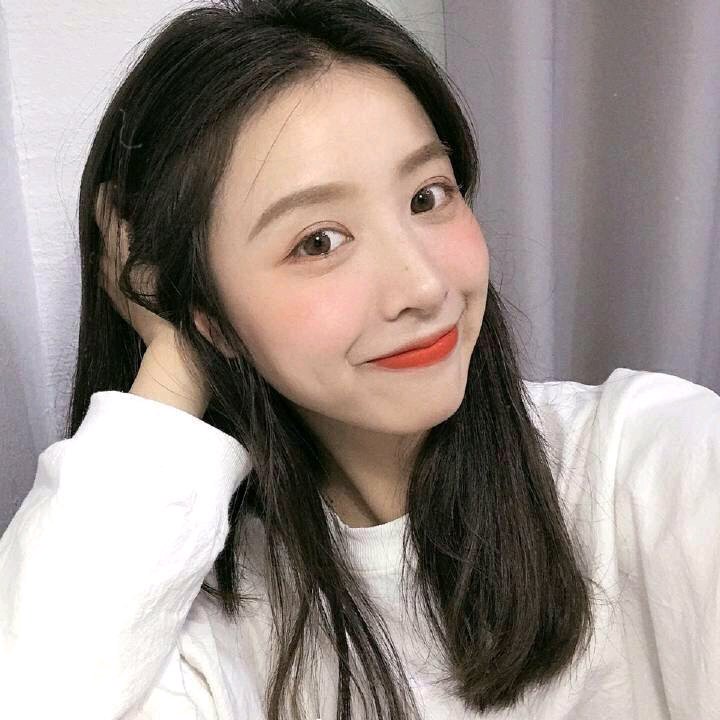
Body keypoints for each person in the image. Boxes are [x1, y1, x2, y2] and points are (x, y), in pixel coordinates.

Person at [1, 0, 718, 718]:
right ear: (207, 311)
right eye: (319, 241)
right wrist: (177, 358)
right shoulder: (183, 608)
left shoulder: (642, 462)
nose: (425, 286)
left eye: (428, 197)